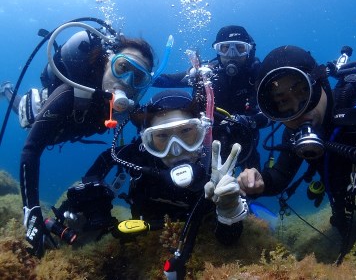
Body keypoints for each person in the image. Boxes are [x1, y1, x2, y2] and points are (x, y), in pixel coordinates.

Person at [2, 22, 159, 258]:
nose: (126, 81)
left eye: (138, 77)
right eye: (122, 67)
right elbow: (31, 150)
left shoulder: (130, 106)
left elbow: (154, 133)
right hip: (54, 119)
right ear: (108, 61)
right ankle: (7, 90)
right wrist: (32, 210)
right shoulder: (69, 93)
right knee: (26, 116)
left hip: (76, 128)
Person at [55, 90, 247, 277]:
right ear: (147, 139)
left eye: (187, 131)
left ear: (202, 133)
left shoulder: (214, 165)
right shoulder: (139, 156)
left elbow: (228, 241)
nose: (176, 148)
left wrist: (229, 208)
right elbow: (106, 158)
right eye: (162, 136)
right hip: (144, 233)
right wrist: (91, 196)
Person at [238, 45, 356, 258]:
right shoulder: (295, 133)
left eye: (303, 91)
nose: (298, 110)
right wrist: (259, 182)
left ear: (321, 84)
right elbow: (278, 177)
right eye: (282, 102)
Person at [154, 25, 270, 170]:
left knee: (253, 187)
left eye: (239, 48)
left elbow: (275, 113)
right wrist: (139, 77)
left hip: (246, 142)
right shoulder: (205, 74)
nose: (231, 54)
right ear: (217, 51)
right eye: (224, 48)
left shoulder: (258, 75)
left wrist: (250, 121)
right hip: (206, 145)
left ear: (249, 51)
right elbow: (165, 80)